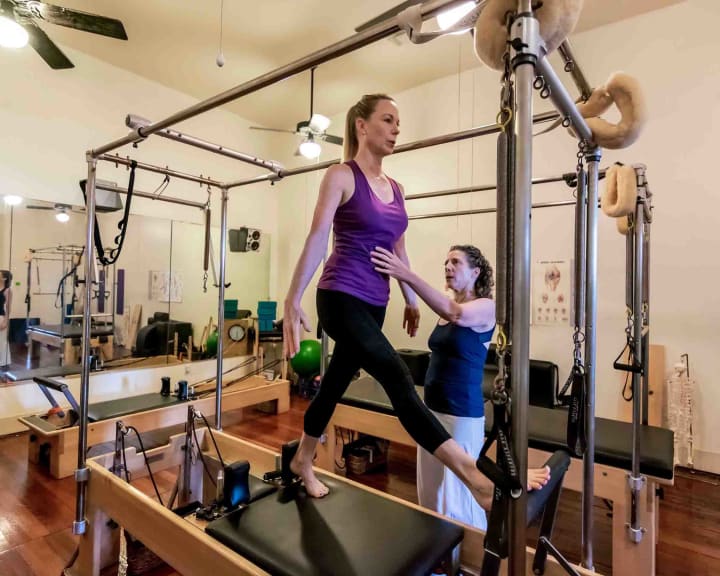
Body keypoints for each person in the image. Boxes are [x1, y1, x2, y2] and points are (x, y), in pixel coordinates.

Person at [283, 93, 549, 507]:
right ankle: (474, 477)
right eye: (387, 120)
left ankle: (302, 459)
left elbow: (400, 252)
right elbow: (318, 238)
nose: (396, 129)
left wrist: (410, 298)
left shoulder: (397, 189)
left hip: (375, 303)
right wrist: (292, 297)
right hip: (339, 297)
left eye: (397, 123)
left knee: (333, 385)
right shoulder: (341, 175)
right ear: (362, 126)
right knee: (397, 375)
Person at [371, 244, 503, 530]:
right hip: (432, 410)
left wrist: (406, 274)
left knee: (459, 494)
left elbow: (456, 313)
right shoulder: (445, 306)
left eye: (456, 262)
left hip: (461, 414)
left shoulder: (486, 307)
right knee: (431, 490)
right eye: (446, 262)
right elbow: (447, 308)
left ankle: (469, 550)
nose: (448, 267)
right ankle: (437, 548)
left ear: (476, 272)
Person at [0, 270, 12, 369]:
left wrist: (6, 321)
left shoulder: (8, 290)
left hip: (1, 317)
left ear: (4, 278)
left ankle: (3, 363)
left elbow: (8, 307)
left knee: (2, 341)